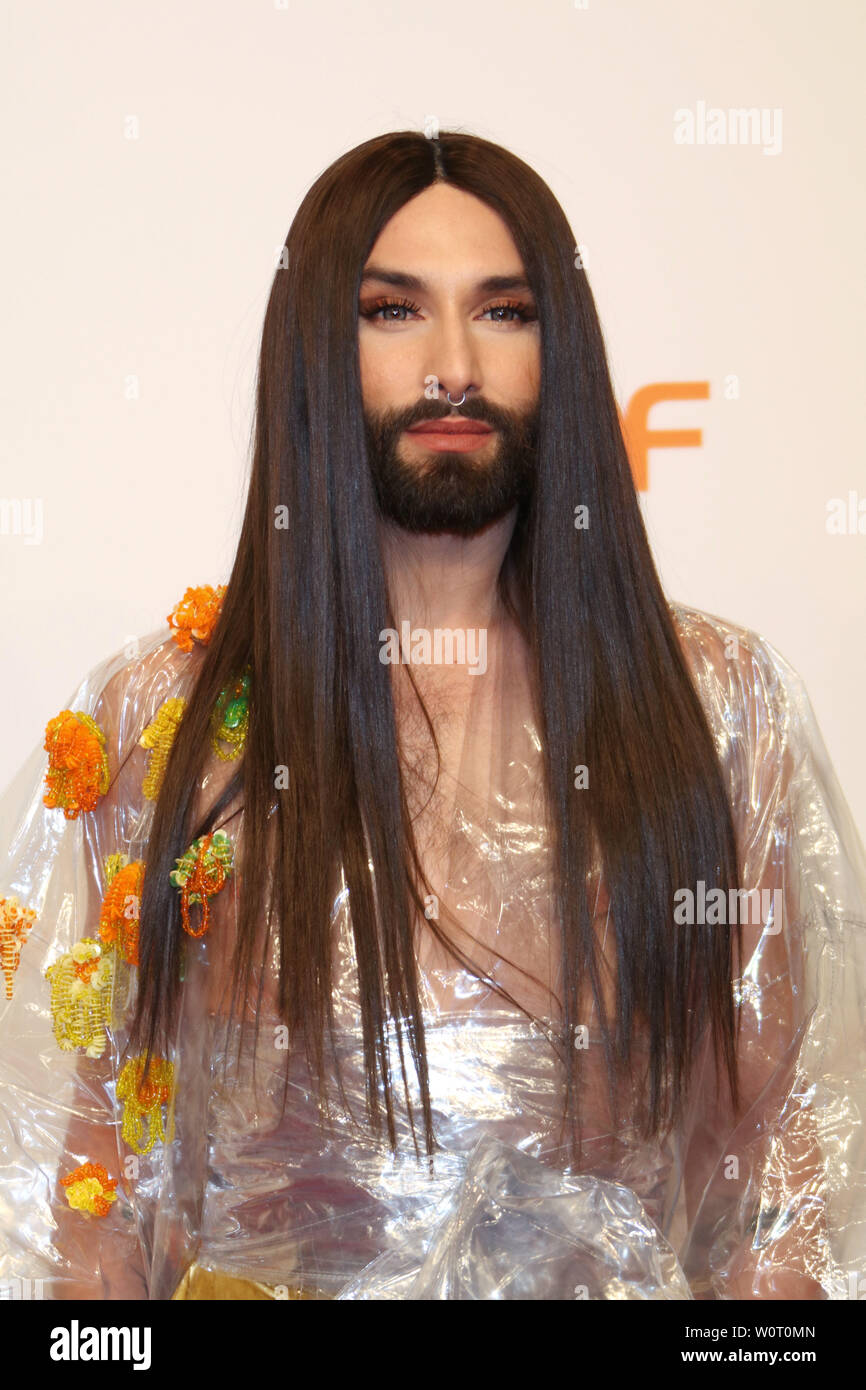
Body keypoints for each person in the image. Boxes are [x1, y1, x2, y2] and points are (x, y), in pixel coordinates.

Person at [1, 130, 864, 1302]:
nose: (453, 364)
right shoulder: (169, 723)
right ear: (313, 345)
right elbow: (92, 1226)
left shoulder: (717, 710)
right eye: (393, 311)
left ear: (558, 350)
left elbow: (781, 1198)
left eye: (503, 312)